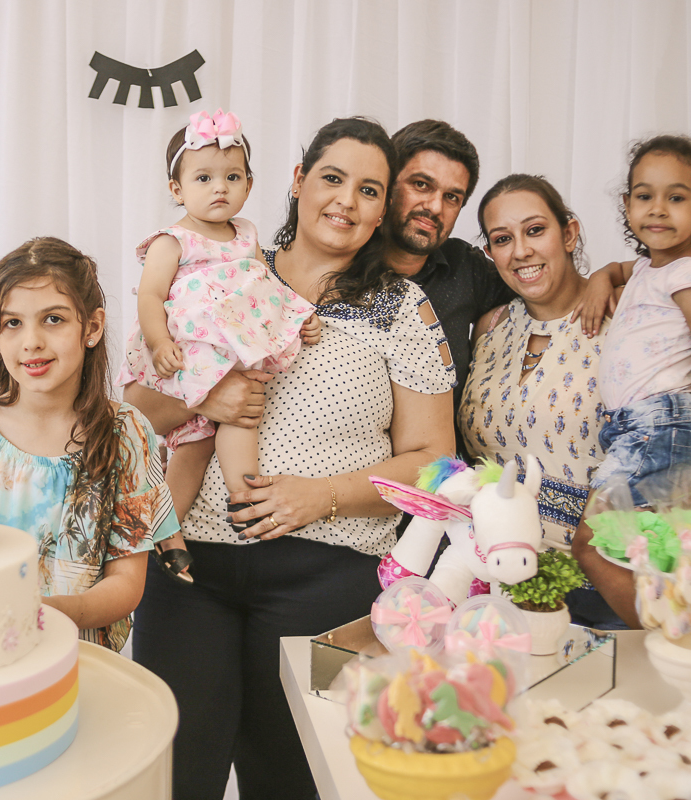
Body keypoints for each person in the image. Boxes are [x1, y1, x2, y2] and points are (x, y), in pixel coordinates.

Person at [126, 117, 457, 800]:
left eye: (370, 190)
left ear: (382, 210)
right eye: (333, 178)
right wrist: (206, 398)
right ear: (300, 181)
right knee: (173, 775)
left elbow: (434, 461)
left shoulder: (401, 307)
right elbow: (135, 410)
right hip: (190, 569)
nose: (347, 201)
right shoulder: (216, 266)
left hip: (329, 575)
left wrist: (322, 495)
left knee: (297, 778)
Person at [462, 174, 691, 628]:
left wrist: (654, 519)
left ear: (569, 234)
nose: (521, 250)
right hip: (534, 585)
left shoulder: (635, 312)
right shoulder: (489, 328)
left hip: (639, 577)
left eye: (535, 230)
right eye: (502, 239)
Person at [116, 109, 320, 584]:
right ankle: (165, 537)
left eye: (232, 177)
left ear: (249, 185)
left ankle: (243, 498)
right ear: (177, 189)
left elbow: (263, 284)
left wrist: (298, 316)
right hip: (189, 349)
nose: (219, 188)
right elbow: (150, 296)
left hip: (232, 348)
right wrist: (158, 341)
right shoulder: (173, 241)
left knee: (231, 422)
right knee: (194, 442)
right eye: (203, 178)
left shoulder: (246, 234)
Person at [0, 237, 179, 652]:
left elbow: (126, 583)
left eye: (53, 319)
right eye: (12, 323)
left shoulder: (126, 432)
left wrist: (51, 614)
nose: (31, 341)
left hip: (81, 660)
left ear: (92, 327)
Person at [573, 135, 691, 509]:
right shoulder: (650, 268)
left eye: (676, 198)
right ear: (628, 205)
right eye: (645, 196)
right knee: (638, 536)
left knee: (595, 534)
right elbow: (618, 269)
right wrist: (600, 277)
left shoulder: (689, 276)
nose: (658, 209)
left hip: (659, 424)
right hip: (641, 426)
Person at [383, 120, 517, 450]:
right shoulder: (340, 258)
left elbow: (551, 292)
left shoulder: (465, 267)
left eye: (452, 197)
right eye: (421, 185)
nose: (434, 207)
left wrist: (607, 278)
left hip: (442, 472)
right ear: (387, 182)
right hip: (346, 467)